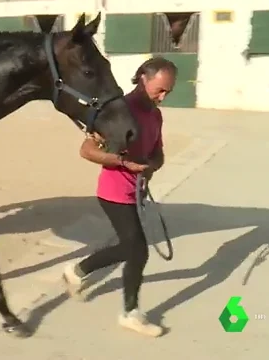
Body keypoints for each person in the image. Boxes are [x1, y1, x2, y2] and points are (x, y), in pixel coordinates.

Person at [62, 56, 177, 337]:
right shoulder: (118, 111)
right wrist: (124, 164)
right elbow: (87, 151)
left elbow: (158, 152)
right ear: (143, 79)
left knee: (131, 248)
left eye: (168, 92)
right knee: (137, 249)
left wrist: (152, 165)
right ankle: (130, 312)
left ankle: (77, 271)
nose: (162, 97)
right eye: (159, 90)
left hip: (135, 190)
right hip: (113, 191)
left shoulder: (155, 114)